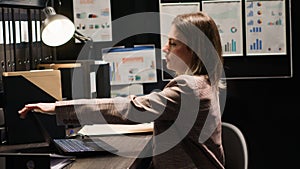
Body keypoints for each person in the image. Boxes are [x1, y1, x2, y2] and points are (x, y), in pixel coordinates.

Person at [19, 12, 226, 169]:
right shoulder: (204, 82)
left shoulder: (188, 89)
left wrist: (57, 108)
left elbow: (131, 108)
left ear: (194, 49)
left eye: (173, 43)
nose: (164, 48)